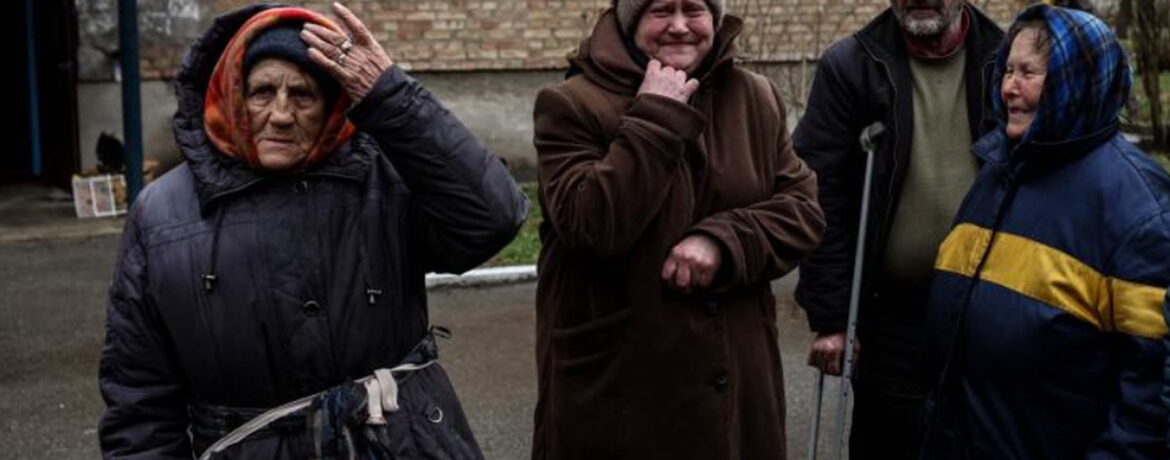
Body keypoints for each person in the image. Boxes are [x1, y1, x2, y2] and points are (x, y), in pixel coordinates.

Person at [98, 3, 527, 458]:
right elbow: (139, 401)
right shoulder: (162, 214)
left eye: (302, 95)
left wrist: (391, 97)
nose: (281, 114)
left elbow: (493, 217)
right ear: (232, 95)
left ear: (332, 104)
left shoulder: (384, 180)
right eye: (262, 92)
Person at [530, 0, 825, 458]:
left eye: (695, 10)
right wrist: (656, 116)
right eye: (662, 11)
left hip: (738, 385)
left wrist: (724, 240)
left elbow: (802, 209)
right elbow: (591, 225)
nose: (680, 26)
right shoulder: (571, 104)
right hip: (621, 391)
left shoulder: (754, 96)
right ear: (631, 21)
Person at [921, 5, 1170, 458]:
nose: (1008, 87)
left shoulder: (1138, 212)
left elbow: (1151, 400)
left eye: (1029, 73)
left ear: (1079, 79)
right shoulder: (999, 171)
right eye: (1008, 70)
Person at [791, 0, 1002, 456]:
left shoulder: (1002, 59)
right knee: (890, 442)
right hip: (891, 313)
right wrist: (832, 318)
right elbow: (821, 193)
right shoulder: (852, 66)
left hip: (986, 306)